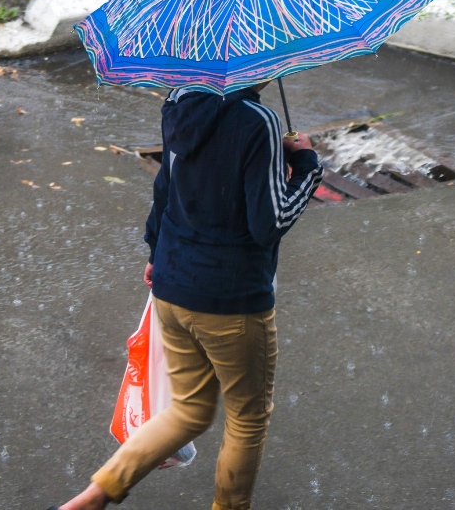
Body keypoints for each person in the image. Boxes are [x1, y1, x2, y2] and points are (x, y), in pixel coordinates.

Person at [51, 80, 323, 510]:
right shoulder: (259, 122)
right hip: (231, 298)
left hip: (172, 285)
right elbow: (269, 222)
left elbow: (166, 187)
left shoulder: (179, 104)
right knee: (247, 418)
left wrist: (154, 251)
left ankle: (92, 497)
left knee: (189, 409)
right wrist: (306, 164)